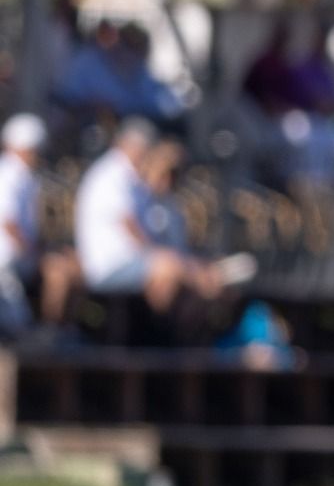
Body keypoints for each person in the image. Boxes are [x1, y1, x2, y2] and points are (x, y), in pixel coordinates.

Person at [76, 121, 255, 322]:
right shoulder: (116, 173)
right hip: (110, 265)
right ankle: (160, 334)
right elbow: (131, 228)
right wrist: (163, 257)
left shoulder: (136, 183)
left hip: (129, 261)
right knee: (169, 268)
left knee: (175, 270)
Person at [0, 114, 79, 334]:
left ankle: (62, 331)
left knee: (72, 265)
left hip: (19, 256)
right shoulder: (8, 175)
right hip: (10, 259)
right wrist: (34, 252)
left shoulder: (23, 176)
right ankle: (50, 330)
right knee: (58, 271)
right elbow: (9, 224)